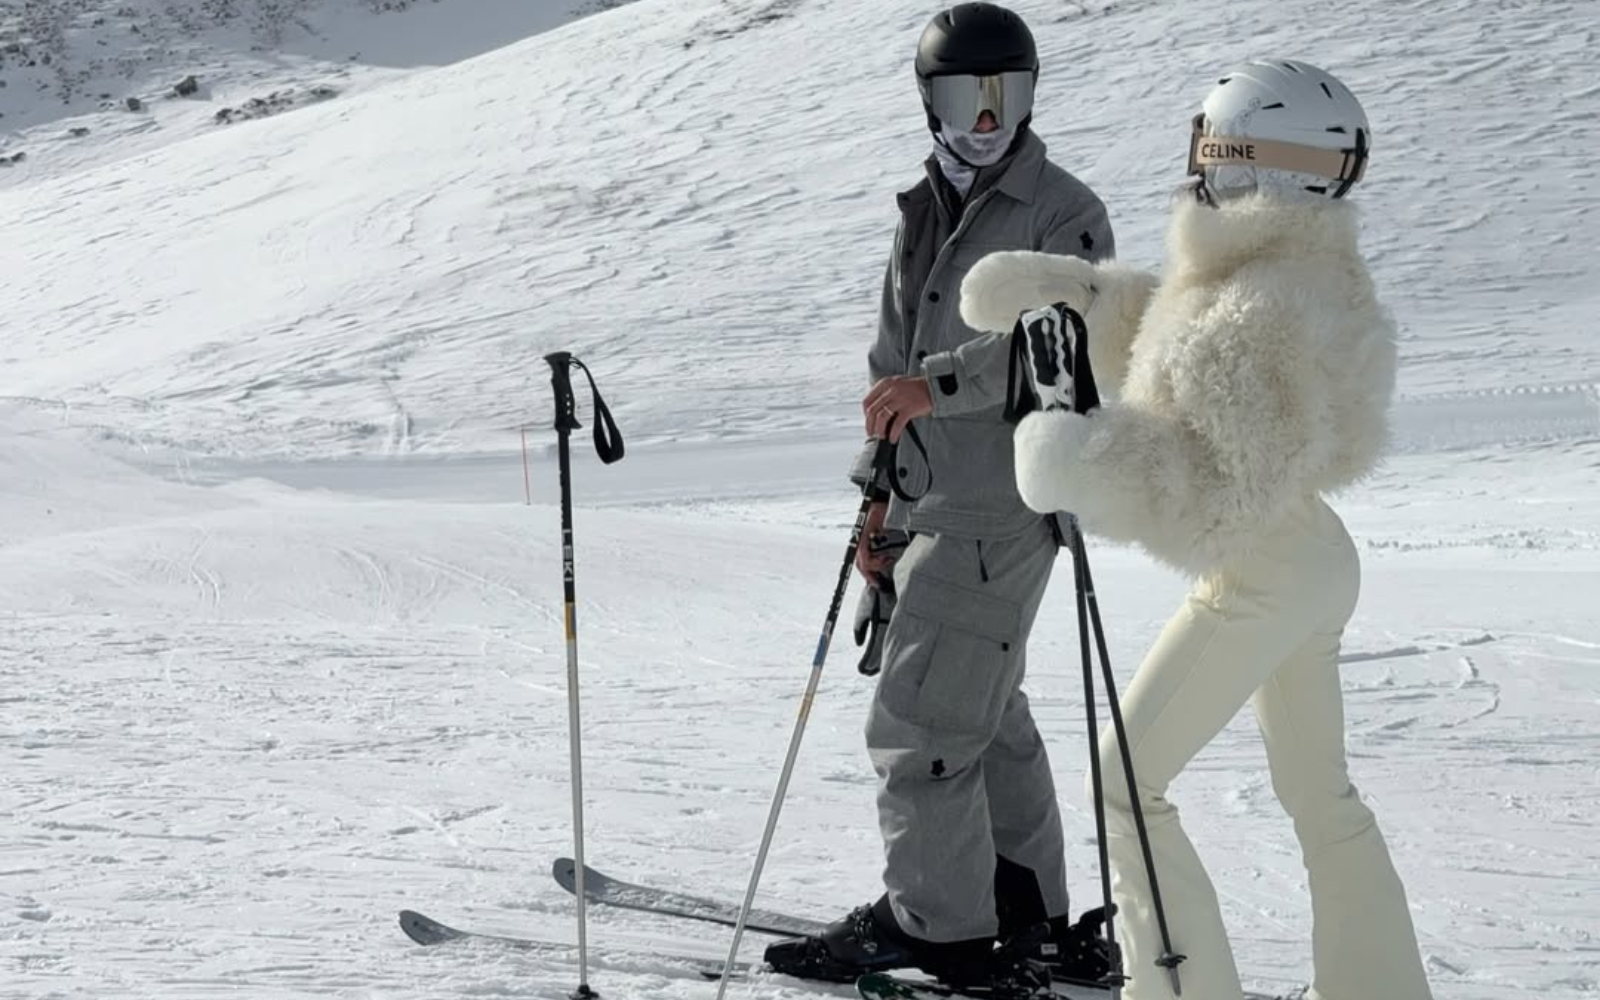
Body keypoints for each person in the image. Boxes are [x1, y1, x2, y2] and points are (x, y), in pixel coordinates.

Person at [958, 59, 1435, 1000]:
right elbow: (1187, 349)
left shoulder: (1258, 309)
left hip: (1262, 567)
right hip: (1312, 558)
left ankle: (1181, 990)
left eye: (1210, 156)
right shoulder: (1288, 275)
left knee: (1124, 782)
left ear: (1245, 163)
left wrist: (1076, 459)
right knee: (1319, 797)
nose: (1199, 175)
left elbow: (1220, 487)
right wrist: (1087, 294)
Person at [763, 2, 1117, 989]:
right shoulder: (923, 207)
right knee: (982, 711)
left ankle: (939, 927)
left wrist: (941, 384)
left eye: (1007, 92)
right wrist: (875, 504)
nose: (988, 116)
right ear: (932, 101)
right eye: (967, 94)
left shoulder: (1059, 211)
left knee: (919, 725)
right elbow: (889, 369)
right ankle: (1023, 911)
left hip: (999, 509)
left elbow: (1072, 353)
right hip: (928, 505)